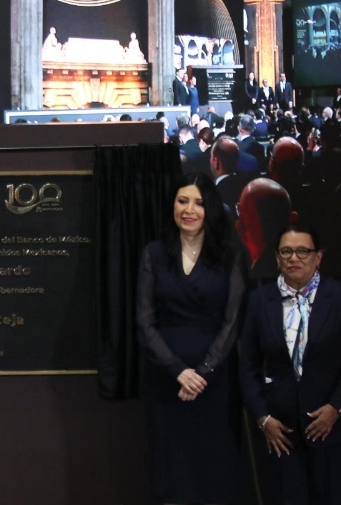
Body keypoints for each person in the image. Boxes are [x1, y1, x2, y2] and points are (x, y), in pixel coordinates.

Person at [136, 173, 248, 505]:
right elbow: (144, 321)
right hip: (165, 380)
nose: (189, 210)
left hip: (215, 382)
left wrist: (203, 372)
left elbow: (233, 320)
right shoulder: (154, 254)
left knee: (213, 468)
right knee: (169, 469)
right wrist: (178, 371)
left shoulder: (231, 254)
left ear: (210, 208)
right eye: (182, 200)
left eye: (198, 203)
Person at [240, 224, 341, 505]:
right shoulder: (260, 301)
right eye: (286, 251)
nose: (294, 258)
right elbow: (248, 365)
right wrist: (263, 419)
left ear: (318, 257)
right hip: (281, 433)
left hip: (330, 428)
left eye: (302, 251)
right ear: (276, 258)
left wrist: (336, 408)